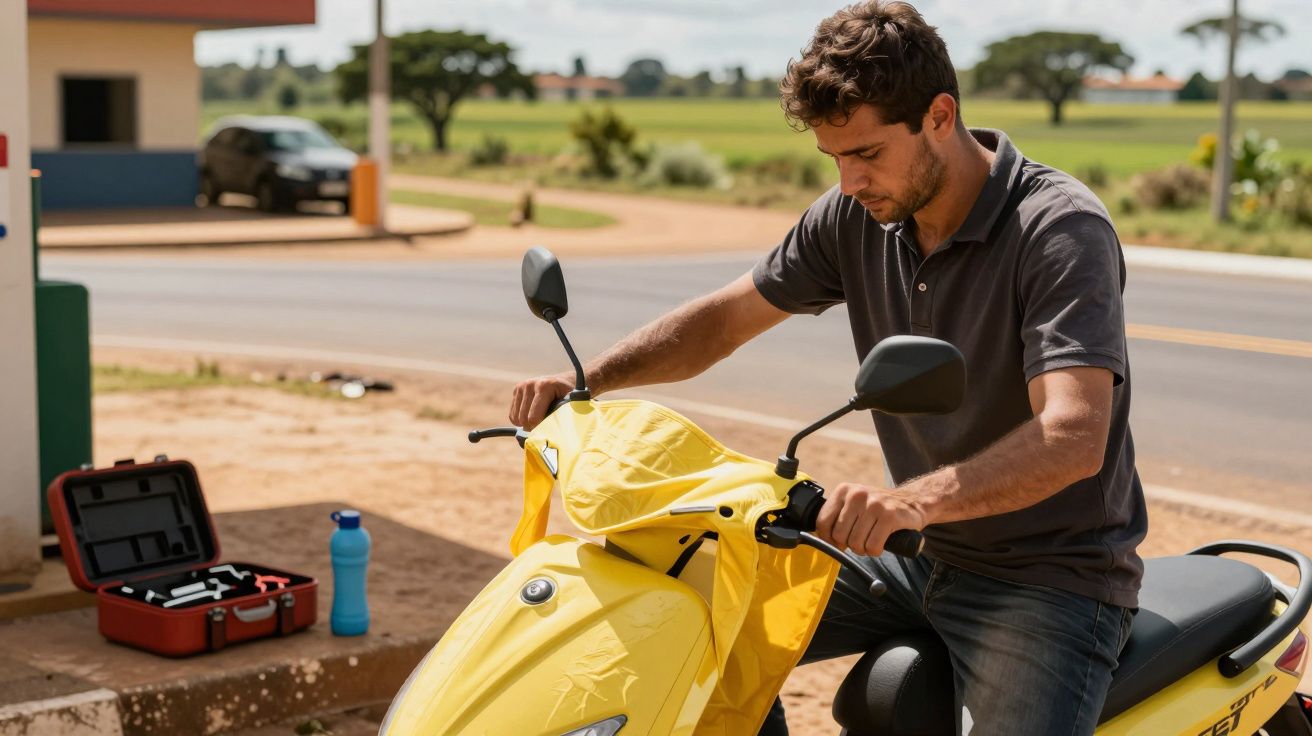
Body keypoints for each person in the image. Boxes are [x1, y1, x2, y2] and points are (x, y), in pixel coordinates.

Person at [510, 2, 1145, 733]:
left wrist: (910, 501)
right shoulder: (858, 215)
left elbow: (1072, 435)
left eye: (867, 153)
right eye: (834, 158)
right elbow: (721, 322)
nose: (848, 182)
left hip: (1049, 578)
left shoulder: (1058, 228)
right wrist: (585, 379)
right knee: (689, 622)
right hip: (916, 553)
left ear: (940, 115)